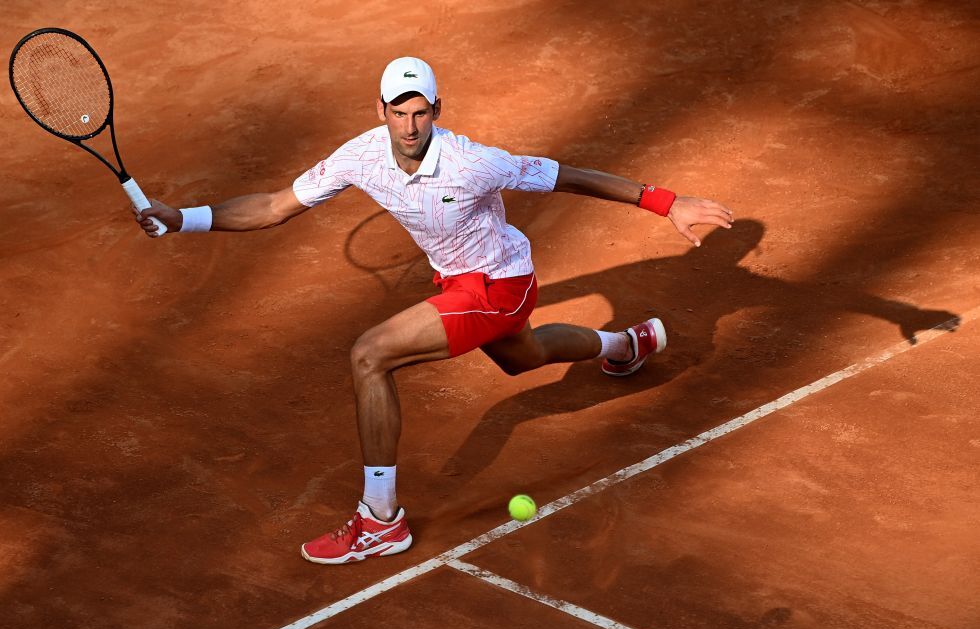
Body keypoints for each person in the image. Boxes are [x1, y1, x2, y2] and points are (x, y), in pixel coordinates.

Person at [135, 57, 734, 565]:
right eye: (399, 112)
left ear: (437, 111)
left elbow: (566, 177)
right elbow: (273, 206)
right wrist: (183, 218)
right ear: (380, 111)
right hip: (467, 283)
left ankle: (380, 519)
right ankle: (626, 345)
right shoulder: (360, 156)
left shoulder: (474, 162)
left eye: (421, 113)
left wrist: (666, 202)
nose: (410, 125)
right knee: (523, 356)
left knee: (369, 356)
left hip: (497, 285)